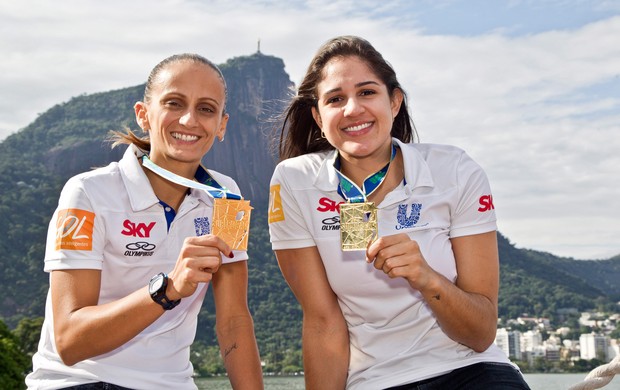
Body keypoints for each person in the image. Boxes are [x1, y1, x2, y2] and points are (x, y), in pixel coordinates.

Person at [268, 36, 531, 390]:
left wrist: (427, 277)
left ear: (394, 101)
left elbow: (481, 333)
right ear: (317, 115)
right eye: (335, 99)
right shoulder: (295, 182)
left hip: (471, 370)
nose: (352, 109)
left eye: (367, 92)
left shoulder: (454, 170)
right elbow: (323, 322)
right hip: (374, 381)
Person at [26, 53, 263, 389]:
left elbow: (234, 321)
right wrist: (168, 289)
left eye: (206, 109)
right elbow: (69, 341)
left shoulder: (227, 197)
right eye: (174, 103)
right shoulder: (87, 193)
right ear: (144, 114)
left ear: (221, 125)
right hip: (80, 380)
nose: (189, 120)